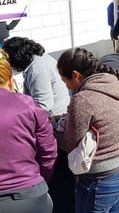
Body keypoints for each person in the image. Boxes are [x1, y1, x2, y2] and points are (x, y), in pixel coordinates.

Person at [55, 48, 119, 213]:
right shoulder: (113, 81)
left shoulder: (83, 99)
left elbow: (70, 143)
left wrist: (52, 129)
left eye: (65, 81)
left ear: (76, 75)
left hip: (100, 181)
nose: (66, 86)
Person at [2, 36, 74, 213]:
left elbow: (43, 105)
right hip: (51, 127)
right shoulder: (40, 61)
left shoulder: (37, 70)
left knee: (61, 186)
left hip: (53, 126)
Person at [0, 49, 57, 213]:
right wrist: (39, 180)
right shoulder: (28, 105)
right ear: (11, 81)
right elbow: (48, 152)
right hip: (31, 194)